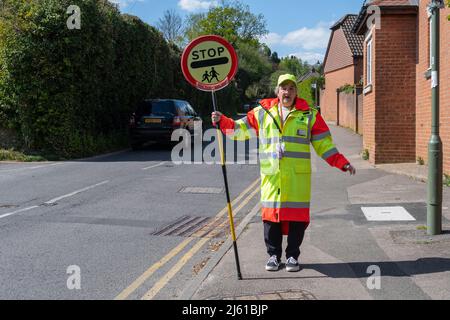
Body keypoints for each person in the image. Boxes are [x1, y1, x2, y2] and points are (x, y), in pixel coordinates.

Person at [211, 74, 356, 272]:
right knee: (271, 219)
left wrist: (342, 163)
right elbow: (240, 129)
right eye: (283, 88)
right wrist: (223, 122)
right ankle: (273, 256)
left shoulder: (309, 115)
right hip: (272, 177)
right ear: (277, 91)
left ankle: (292, 257)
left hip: (298, 178)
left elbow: (324, 144)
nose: (287, 92)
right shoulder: (262, 112)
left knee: (297, 219)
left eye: (291, 88)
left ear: (296, 92)